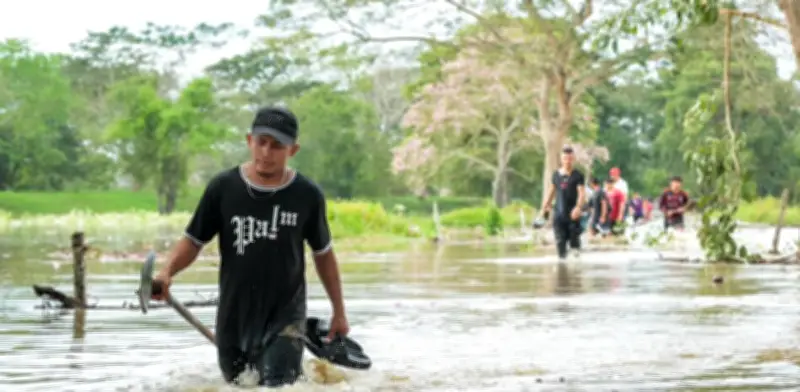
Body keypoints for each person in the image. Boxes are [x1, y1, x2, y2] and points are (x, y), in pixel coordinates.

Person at [152, 106, 350, 387]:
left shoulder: (307, 195)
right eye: (262, 142)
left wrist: (339, 311)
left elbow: (324, 254)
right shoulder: (223, 188)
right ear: (249, 141)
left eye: (277, 146)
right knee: (239, 384)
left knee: (279, 385)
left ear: (292, 150)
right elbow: (194, 240)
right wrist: (166, 272)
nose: (266, 153)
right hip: (234, 317)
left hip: (286, 317)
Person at [539, 146, 586, 259]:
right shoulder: (556, 175)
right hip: (559, 214)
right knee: (560, 242)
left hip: (573, 215)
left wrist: (578, 207)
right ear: (561, 159)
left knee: (574, 243)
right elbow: (551, 191)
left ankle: (576, 268)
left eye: (570, 158)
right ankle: (562, 269)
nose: (567, 161)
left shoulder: (578, 175)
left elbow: (582, 193)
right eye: (565, 158)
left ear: (573, 159)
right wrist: (545, 206)